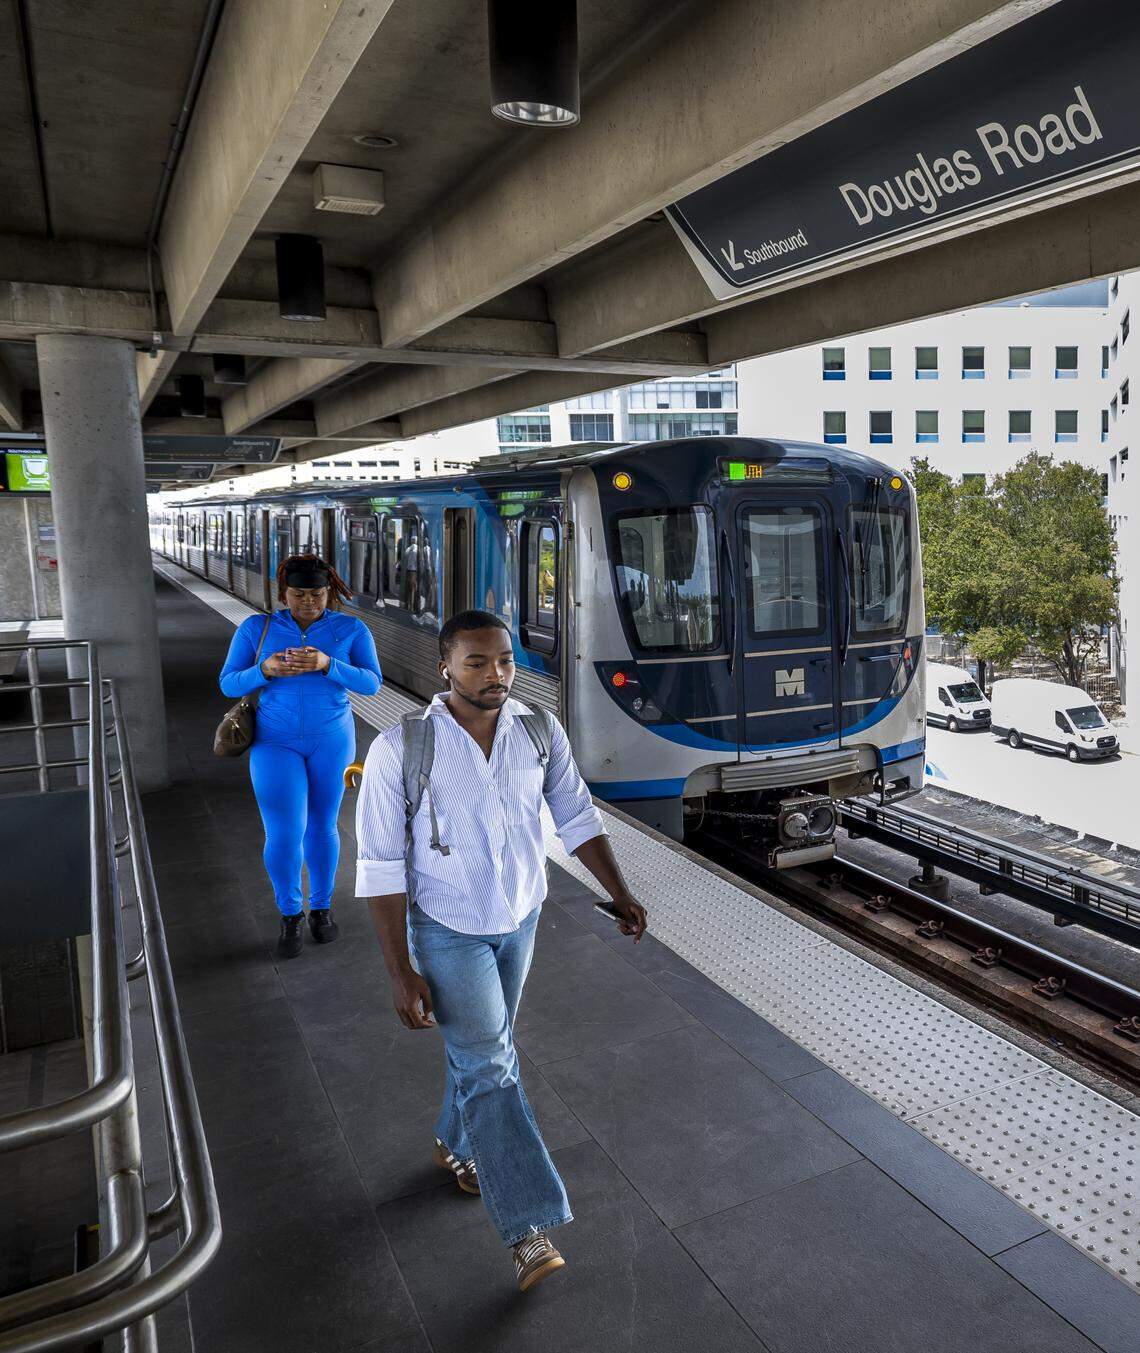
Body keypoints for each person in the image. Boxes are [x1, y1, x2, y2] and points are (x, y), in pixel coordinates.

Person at [355, 609, 647, 1292]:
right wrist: (401, 970)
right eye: (478, 662)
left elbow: (576, 814)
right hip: (447, 927)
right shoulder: (405, 747)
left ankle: (456, 1143)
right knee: (490, 1063)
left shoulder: (538, 731)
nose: (496, 675)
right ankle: (528, 1228)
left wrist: (621, 890)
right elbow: (378, 864)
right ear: (445, 667)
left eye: (506, 661)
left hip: (520, 917)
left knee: (488, 1045)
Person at [220, 554, 382, 959]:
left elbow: (372, 683)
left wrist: (330, 664)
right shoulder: (257, 628)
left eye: (316, 594)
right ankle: (290, 912)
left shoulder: (351, 628)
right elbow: (227, 682)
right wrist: (265, 670)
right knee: (284, 830)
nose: (308, 602)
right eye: (298, 595)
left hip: (333, 741)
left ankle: (322, 908)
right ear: (283, 593)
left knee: (323, 826)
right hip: (275, 743)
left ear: (328, 592)